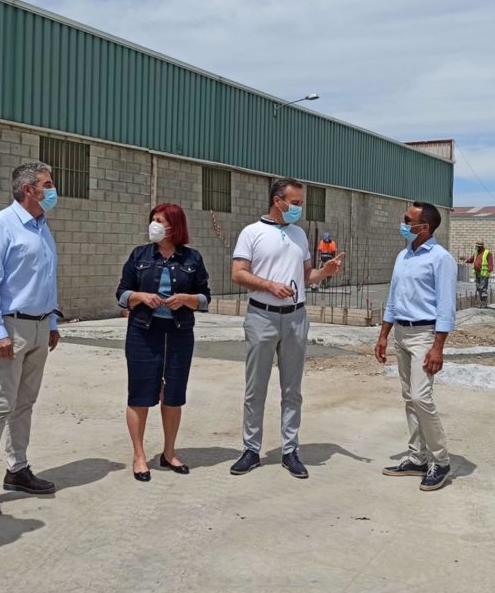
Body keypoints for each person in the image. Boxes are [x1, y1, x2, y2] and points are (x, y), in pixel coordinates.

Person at [229, 178, 344, 479]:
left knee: (292, 389)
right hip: (261, 317)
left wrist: (325, 272)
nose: (299, 208)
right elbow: (238, 274)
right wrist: (269, 285)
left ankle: (290, 450)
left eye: (301, 203)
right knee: (256, 387)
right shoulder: (251, 233)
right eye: (295, 203)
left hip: (295, 318)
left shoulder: (299, 235)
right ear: (277, 200)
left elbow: (307, 276)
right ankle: (251, 449)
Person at [0, 162, 62, 518]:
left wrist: (52, 320)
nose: (53, 191)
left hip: (39, 327)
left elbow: (46, 279)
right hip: (11, 327)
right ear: (28, 189)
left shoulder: (42, 227)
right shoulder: (0, 225)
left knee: (25, 403)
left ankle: (17, 468)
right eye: (47, 184)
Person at [116, 203, 211, 482]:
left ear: (174, 225)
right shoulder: (140, 255)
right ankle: (139, 455)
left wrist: (186, 299)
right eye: (153, 220)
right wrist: (140, 297)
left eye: (160, 220)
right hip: (143, 331)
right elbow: (121, 293)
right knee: (140, 395)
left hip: (179, 332)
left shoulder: (191, 258)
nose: (154, 225)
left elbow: (205, 297)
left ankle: (169, 453)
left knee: (173, 396)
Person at [375, 201, 457, 492]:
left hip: (425, 334)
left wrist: (438, 347)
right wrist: (384, 334)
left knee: (422, 398)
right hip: (402, 332)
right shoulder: (403, 256)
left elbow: (446, 306)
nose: (403, 224)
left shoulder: (440, 259)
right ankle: (416, 457)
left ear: (424, 227)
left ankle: (441, 460)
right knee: (409, 398)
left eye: (407, 220)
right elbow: (394, 298)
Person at [465, 239, 493, 306]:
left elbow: (490, 263)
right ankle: (481, 302)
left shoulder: (487, 253)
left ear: (481, 246)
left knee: (483, 288)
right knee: (478, 288)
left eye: (478, 246)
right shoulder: (476, 252)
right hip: (477, 273)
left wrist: (489, 271)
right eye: (476, 246)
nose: (476, 247)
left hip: (484, 274)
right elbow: (472, 259)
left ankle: (484, 303)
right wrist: (466, 260)